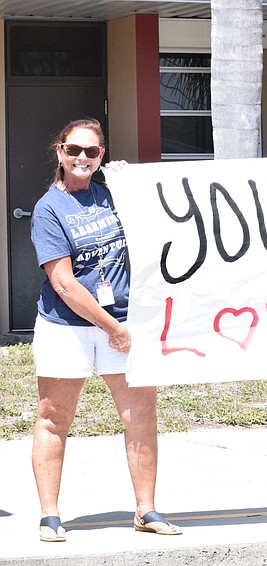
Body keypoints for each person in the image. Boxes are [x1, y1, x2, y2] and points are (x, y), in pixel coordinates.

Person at [30, 118, 181, 542]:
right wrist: (113, 327)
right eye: (74, 150)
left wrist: (132, 180)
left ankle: (146, 510)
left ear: (101, 156)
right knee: (54, 417)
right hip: (68, 326)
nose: (82, 158)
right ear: (59, 151)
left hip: (124, 321)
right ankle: (50, 515)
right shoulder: (49, 209)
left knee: (139, 416)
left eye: (92, 152)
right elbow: (63, 281)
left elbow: (163, 218)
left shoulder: (112, 195)